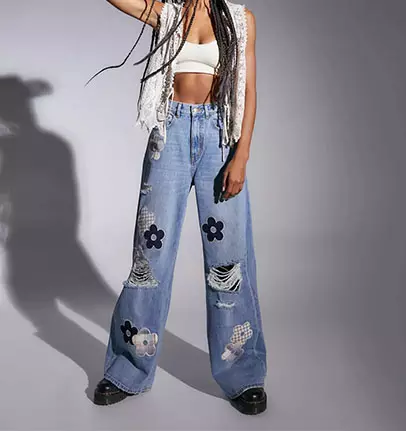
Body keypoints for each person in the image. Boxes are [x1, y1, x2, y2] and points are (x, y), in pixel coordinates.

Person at [89, 0, 267, 415]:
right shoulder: (165, 13)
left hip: (219, 136)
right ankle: (128, 368)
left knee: (229, 262)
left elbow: (249, 90)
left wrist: (241, 156)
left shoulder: (241, 20)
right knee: (149, 261)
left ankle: (242, 373)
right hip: (169, 133)